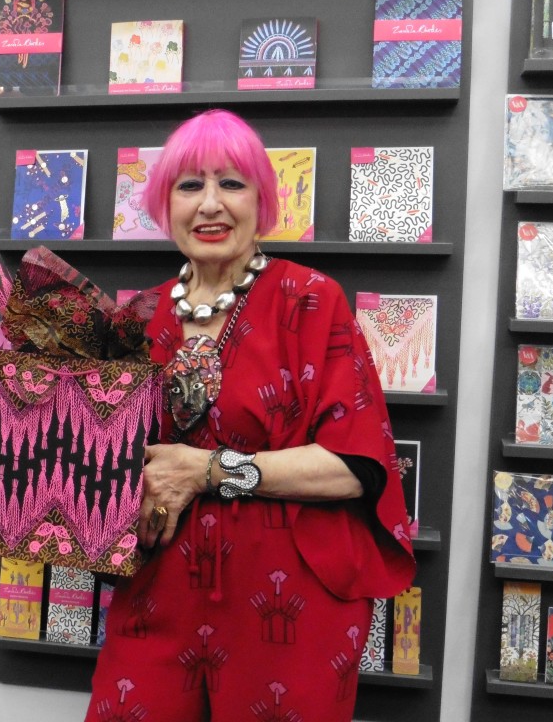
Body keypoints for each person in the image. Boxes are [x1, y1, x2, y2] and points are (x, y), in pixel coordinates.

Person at [86, 110, 416, 722]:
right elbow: (105, 461)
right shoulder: (136, 316)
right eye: (190, 186)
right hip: (157, 596)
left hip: (290, 603)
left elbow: (358, 466)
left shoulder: (311, 300)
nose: (211, 204)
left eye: (231, 183)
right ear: (165, 203)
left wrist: (205, 470)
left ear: (262, 200)